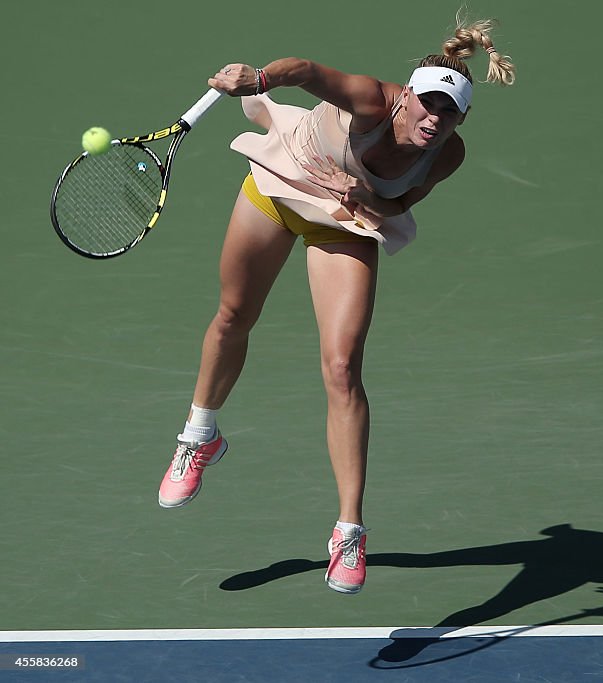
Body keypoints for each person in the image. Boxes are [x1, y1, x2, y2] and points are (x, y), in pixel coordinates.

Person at [156, 18, 515, 595]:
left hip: (344, 225)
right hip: (282, 183)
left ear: (460, 119)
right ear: (407, 96)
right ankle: (199, 437)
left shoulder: (447, 156)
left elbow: (397, 199)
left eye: (447, 112)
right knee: (233, 316)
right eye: (426, 103)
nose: (433, 118)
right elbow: (307, 74)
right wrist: (260, 77)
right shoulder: (371, 99)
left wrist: (364, 195)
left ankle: (349, 531)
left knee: (343, 368)